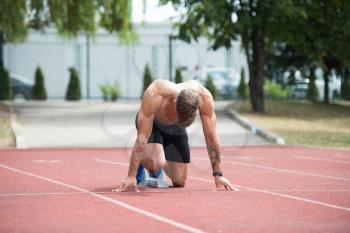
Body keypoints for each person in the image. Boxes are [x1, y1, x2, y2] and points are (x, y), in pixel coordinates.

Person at [113, 79, 235, 192]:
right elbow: (142, 137)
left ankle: (158, 159)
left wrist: (218, 174)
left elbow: (211, 138)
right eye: (176, 116)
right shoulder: (155, 93)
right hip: (154, 123)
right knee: (154, 163)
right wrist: (131, 175)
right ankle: (145, 164)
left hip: (176, 129)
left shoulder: (205, 97)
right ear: (175, 101)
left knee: (180, 181)